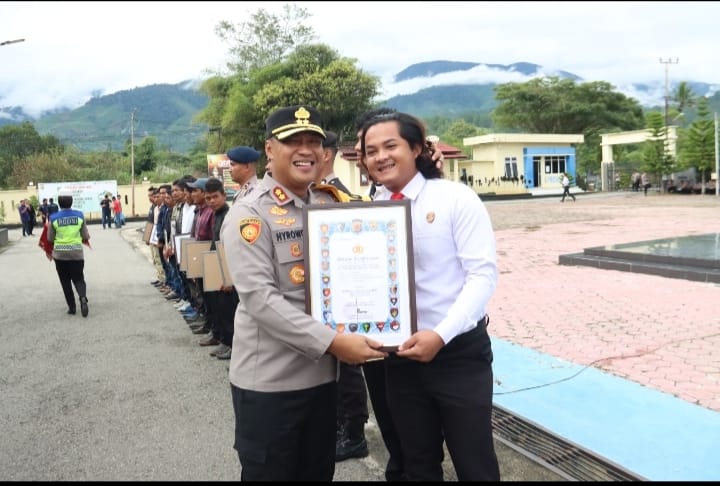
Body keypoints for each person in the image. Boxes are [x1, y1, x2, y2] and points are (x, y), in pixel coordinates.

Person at [220, 104, 386, 481]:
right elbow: (260, 301)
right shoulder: (250, 214)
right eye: (293, 141)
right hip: (271, 385)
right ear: (269, 149)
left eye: (314, 141)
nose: (306, 150)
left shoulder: (329, 203)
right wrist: (335, 343)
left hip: (323, 381)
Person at [359, 111, 500, 481]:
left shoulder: (456, 198)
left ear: (416, 148)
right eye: (371, 151)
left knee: (475, 463)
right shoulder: (368, 213)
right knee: (416, 463)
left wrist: (440, 334)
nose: (381, 157)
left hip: (457, 355)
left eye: (390, 146)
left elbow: (482, 275)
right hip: (400, 358)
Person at [318, 130, 371, 462]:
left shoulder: (341, 197)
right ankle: (340, 425)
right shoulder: (310, 194)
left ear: (326, 154)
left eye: (312, 147)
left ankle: (353, 433)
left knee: (347, 367)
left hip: (345, 298)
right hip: (323, 297)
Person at [47, 191, 91, 318]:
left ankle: (72, 308)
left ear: (59, 203)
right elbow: (85, 236)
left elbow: (50, 238)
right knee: (79, 278)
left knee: (65, 281)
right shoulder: (79, 215)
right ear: (71, 202)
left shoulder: (53, 218)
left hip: (60, 255)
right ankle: (82, 297)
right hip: (76, 253)